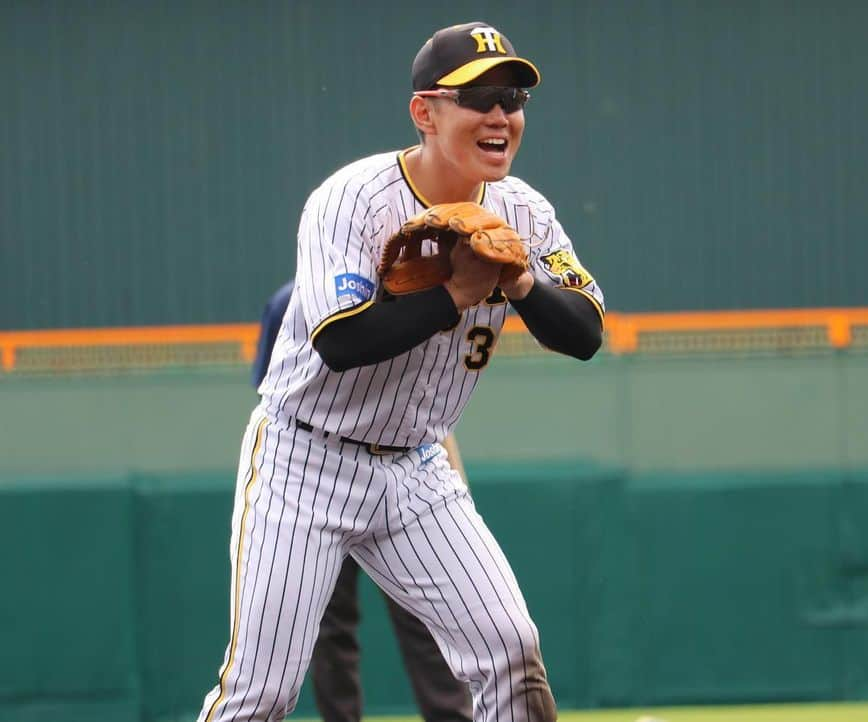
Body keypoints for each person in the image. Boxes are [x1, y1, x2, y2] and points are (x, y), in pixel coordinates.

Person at [198, 20, 604, 722]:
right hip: (305, 458)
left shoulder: (525, 213)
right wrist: (456, 293)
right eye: (478, 97)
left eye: (512, 97)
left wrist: (521, 285)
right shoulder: (352, 198)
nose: (501, 114)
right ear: (425, 112)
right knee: (261, 694)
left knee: (512, 651)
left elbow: (587, 334)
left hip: (418, 468)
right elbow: (341, 342)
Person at [252, 280, 472, 722]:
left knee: (429, 622)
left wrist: (456, 487)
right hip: (317, 480)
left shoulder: (416, 287)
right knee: (328, 631)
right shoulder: (289, 301)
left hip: (404, 474)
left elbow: (429, 409)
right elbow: (273, 402)